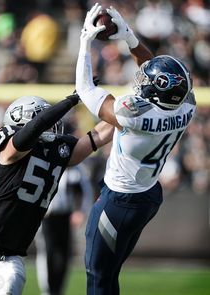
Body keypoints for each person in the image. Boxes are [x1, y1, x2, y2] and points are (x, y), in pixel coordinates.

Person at [75, 3, 196, 295]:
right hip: (148, 195)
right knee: (110, 272)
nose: (140, 80)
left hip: (119, 201)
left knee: (98, 276)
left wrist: (85, 42)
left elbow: (85, 90)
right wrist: (128, 36)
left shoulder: (135, 114)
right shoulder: (187, 104)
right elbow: (153, 72)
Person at [0, 93, 114, 295]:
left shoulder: (58, 151)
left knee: (9, 290)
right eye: (45, 118)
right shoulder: (9, 146)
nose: (52, 126)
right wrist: (70, 101)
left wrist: (123, 114)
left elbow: (96, 137)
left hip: (9, 255)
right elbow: (32, 131)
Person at [35, 162, 93, 295]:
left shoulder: (76, 169)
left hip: (65, 216)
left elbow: (86, 191)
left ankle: (58, 290)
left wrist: (81, 211)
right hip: (46, 216)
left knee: (63, 255)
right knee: (48, 252)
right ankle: (47, 290)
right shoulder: (45, 163)